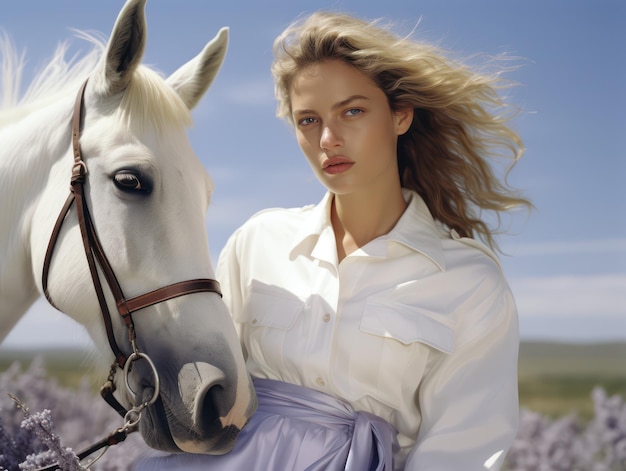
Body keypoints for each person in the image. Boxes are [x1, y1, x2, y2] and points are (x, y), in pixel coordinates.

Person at [136, 10, 531, 471]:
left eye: (353, 111)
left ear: (400, 115)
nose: (328, 139)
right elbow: (201, 381)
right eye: (308, 120)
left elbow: (464, 448)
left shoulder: (470, 282)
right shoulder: (258, 241)